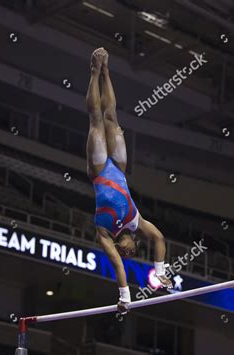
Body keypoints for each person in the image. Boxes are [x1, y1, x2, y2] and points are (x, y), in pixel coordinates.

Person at [85, 47, 172, 315]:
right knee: (112, 116)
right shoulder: (135, 220)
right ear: (134, 240)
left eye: (128, 254)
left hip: (100, 170)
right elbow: (158, 238)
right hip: (119, 169)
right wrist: (160, 272)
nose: (128, 254)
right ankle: (106, 70)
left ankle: (94, 71)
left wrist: (125, 298)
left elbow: (117, 266)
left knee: (97, 119)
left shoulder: (105, 235)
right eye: (133, 252)